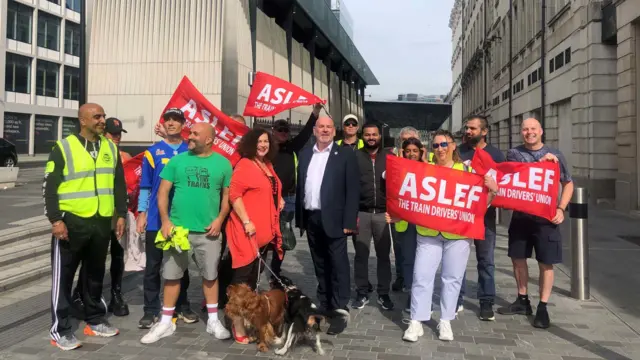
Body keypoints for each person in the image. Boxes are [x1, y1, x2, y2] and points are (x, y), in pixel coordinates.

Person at [387, 129, 498, 342]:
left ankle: (446, 320)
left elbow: (478, 206)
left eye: (444, 144)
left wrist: (492, 191)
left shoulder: (467, 170)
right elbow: (407, 193)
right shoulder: (425, 170)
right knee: (421, 277)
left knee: (452, 278)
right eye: (436, 145)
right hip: (428, 233)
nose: (440, 149)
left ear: (453, 146)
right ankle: (416, 321)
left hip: (458, 235)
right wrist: (395, 211)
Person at [45, 103, 127, 350]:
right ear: (82, 120)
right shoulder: (64, 147)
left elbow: (118, 184)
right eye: (97, 116)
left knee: (94, 275)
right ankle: (60, 329)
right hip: (72, 223)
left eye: (103, 116)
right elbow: (50, 186)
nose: (103, 120)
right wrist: (56, 220)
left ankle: (94, 319)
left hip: (101, 222)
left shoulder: (110, 148)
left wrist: (120, 215)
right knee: (64, 278)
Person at [140, 123, 232, 343]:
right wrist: (165, 221)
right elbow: (162, 192)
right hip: (178, 231)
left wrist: (220, 219)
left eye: (194, 134)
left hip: (208, 232)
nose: (189, 137)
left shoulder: (223, 164)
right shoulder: (177, 161)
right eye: (190, 133)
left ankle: (212, 321)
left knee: (210, 276)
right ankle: (165, 322)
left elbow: (227, 196)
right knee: (171, 276)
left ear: (209, 139)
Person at [497, 118, 574, 329]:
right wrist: (540, 165)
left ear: (541, 131)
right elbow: (517, 174)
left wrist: (561, 208)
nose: (529, 132)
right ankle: (522, 299)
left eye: (533, 129)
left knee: (545, 263)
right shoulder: (514, 153)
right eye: (525, 129)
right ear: (521, 132)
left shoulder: (556, 154)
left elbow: (568, 183)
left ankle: (543, 306)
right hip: (521, 217)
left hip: (546, 219)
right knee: (517, 259)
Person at [295, 117, 359, 335]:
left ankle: (340, 309)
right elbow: (302, 185)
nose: (324, 130)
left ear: (334, 131)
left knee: (338, 265)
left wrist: (350, 221)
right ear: (314, 130)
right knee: (320, 263)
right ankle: (324, 303)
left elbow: (353, 190)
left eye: (328, 127)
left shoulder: (345, 155)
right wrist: (301, 218)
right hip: (312, 218)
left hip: (336, 220)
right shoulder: (305, 154)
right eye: (321, 127)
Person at [135, 108, 196, 329]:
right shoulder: (153, 152)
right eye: (167, 120)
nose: (171, 123)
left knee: (182, 266)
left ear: (183, 124)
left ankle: (182, 306)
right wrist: (141, 213)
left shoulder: (191, 151)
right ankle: (150, 310)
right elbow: (145, 186)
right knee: (153, 267)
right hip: (156, 221)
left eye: (176, 120)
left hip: (181, 220)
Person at [225, 128, 284, 343]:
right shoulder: (244, 164)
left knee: (253, 279)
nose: (263, 145)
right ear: (251, 143)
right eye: (259, 141)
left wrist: (278, 201)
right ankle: (236, 324)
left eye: (266, 141)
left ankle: (248, 318)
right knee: (241, 282)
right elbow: (235, 195)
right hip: (246, 232)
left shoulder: (266, 164)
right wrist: (247, 220)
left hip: (264, 234)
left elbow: (270, 189)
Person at [70, 117, 133, 319]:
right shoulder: (97, 153)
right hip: (98, 213)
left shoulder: (124, 156)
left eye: (119, 133)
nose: (117, 137)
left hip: (117, 214)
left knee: (117, 254)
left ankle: (116, 293)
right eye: (113, 133)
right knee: (90, 257)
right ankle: (80, 294)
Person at [456, 115, 505, 321]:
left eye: (473, 129)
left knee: (486, 261)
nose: (468, 131)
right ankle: (457, 298)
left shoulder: (496, 155)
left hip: (485, 217)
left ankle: (486, 302)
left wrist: (496, 189)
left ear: (484, 132)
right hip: (461, 215)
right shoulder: (458, 151)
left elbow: (507, 184)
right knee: (457, 259)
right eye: (467, 128)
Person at [269, 104, 322, 280]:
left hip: (289, 198)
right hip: (268, 198)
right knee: (267, 233)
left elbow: (306, 132)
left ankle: (276, 268)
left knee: (283, 236)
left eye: (286, 130)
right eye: (280, 129)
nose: (283, 132)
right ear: (273, 131)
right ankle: (260, 266)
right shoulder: (265, 149)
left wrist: (315, 113)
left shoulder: (291, 147)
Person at [352, 123, 394, 310]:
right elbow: (348, 186)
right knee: (361, 255)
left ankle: (383, 293)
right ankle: (362, 291)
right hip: (362, 212)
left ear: (379, 136)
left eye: (374, 134)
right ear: (362, 136)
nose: (371, 137)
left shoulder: (390, 157)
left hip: (383, 214)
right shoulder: (355, 156)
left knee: (383, 256)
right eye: (367, 134)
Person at [393, 137, 425, 312]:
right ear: (402, 152)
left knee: (423, 262)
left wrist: (426, 161)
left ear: (421, 151)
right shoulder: (397, 168)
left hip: (423, 223)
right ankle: (412, 294)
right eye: (408, 151)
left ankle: (420, 295)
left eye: (415, 150)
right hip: (404, 222)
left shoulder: (428, 167)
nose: (411, 154)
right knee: (407, 260)